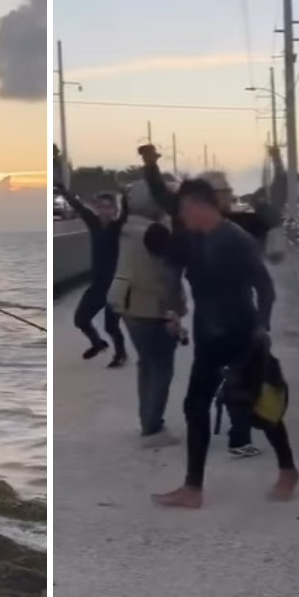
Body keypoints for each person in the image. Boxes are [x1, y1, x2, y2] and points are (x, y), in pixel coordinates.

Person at [140, 147, 298, 507]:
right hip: (208, 338)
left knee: (258, 408)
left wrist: (262, 328)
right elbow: (172, 277)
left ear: (199, 206)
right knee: (195, 407)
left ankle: (288, 469)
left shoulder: (236, 240)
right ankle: (192, 489)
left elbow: (266, 289)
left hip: (244, 336)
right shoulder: (189, 240)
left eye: (183, 209)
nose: (179, 215)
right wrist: (174, 313)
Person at [108, 179, 186, 443]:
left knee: (146, 364)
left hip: (127, 306)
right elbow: (169, 276)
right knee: (161, 368)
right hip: (153, 309)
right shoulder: (156, 232)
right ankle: (153, 427)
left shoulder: (124, 227)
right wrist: (176, 310)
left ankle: (147, 421)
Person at [61, 187, 128, 367]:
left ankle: (120, 354)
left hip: (115, 285)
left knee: (111, 326)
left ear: (114, 210)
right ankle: (98, 343)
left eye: (108, 207)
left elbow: (126, 212)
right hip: (97, 285)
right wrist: (62, 189)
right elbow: (78, 207)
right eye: (101, 207)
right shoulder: (94, 224)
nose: (104, 210)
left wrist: (125, 195)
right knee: (81, 320)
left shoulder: (117, 227)